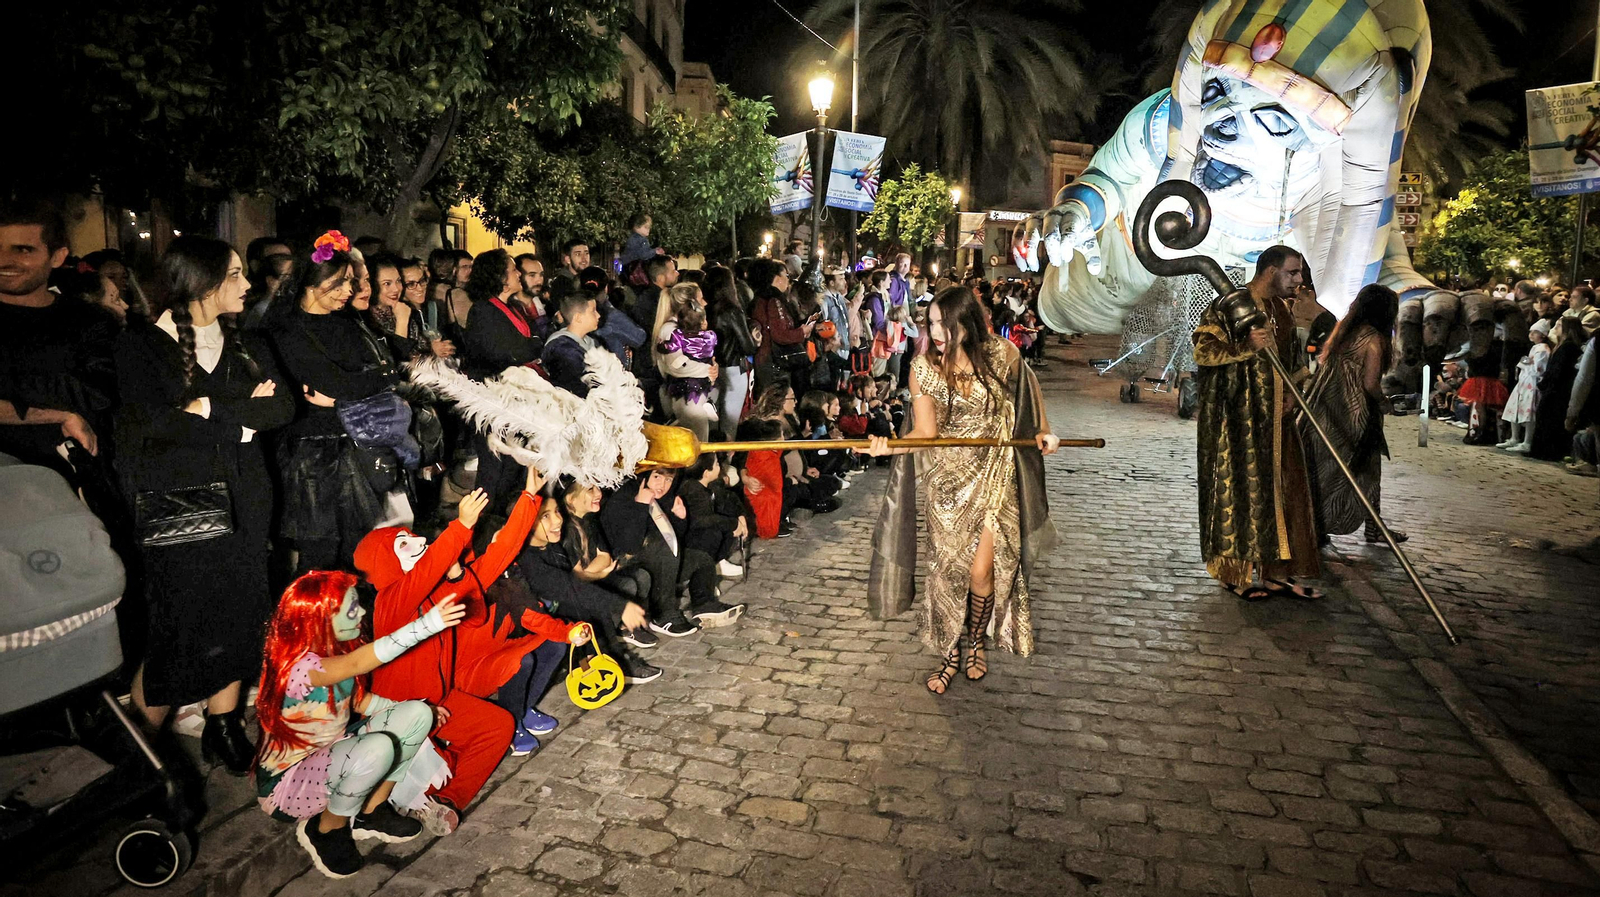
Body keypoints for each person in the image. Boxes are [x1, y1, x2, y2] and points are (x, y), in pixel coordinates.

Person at [116, 236, 295, 772]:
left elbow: (281, 408)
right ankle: (140, 749)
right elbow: (151, 425)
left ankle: (223, 723)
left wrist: (205, 407)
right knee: (181, 620)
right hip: (181, 503)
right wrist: (239, 416)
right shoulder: (143, 345)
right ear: (201, 283)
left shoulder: (248, 343)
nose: (246, 284)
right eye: (235, 275)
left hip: (246, 496)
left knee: (240, 612)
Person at [865, 286, 1059, 695]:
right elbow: (926, 432)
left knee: (980, 570)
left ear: (965, 323)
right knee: (946, 572)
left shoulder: (1002, 354)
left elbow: (1029, 400)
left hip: (995, 473)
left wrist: (1045, 432)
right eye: (931, 322)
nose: (936, 332)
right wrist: (888, 444)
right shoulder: (922, 368)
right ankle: (950, 651)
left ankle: (975, 642)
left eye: (943, 323)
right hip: (948, 485)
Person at [355, 472, 550, 831]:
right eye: (403, 543)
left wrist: (529, 498)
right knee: (426, 760)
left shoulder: (433, 591)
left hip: (440, 699)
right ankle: (399, 799)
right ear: (384, 561)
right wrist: (460, 526)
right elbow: (428, 568)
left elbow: (497, 556)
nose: (416, 544)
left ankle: (447, 799)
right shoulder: (390, 602)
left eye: (414, 538)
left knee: (497, 726)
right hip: (400, 713)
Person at [254, 571, 460, 879]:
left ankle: (371, 812)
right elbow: (358, 663)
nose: (361, 612)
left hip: (331, 757)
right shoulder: (302, 667)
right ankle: (326, 829)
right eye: (352, 608)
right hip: (287, 789)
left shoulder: (330, 653)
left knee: (417, 713)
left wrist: (417, 713)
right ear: (321, 619)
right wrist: (427, 624)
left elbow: (360, 702)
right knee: (377, 748)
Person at [1191, 245, 1322, 601]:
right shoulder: (1229, 305)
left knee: (1286, 490)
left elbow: (1293, 361)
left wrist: (1293, 395)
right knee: (1242, 494)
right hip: (1239, 421)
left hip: (1279, 421)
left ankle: (1278, 573)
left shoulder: (1281, 308)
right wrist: (1244, 345)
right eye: (1292, 273)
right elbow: (1203, 351)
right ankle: (1234, 575)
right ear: (1270, 271)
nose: (1299, 280)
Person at [265, 232, 401, 572]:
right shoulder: (287, 330)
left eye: (350, 283)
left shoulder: (346, 323)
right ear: (312, 283)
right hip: (311, 456)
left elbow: (371, 377)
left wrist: (374, 380)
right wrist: (375, 379)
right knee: (319, 558)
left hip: (355, 444)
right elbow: (342, 383)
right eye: (338, 285)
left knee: (357, 553)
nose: (348, 293)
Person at [0, 199, 117, 477]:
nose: (5, 261)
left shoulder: (90, 321)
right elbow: (76, 395)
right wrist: (61, 413)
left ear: (58, 256)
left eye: (23, 249)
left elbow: (98, 396)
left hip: (74, 491)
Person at [1298, 284, 1406, 546]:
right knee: (1367, 472)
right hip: (1356, 416)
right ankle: (1373, 527)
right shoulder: (1374, 340)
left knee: (1323, 470)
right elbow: (1370, 384)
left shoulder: (1344, 332)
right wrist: (1384, 403)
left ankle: (1316, 524)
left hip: (1325, 411)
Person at [654, 282, 719, 442]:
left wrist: (712, 366)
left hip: (696, 396)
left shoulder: (688, 328)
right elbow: (677, 365)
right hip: (688, 397)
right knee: (697, 446)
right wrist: (707, 369)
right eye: (700, 299)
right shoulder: (670, 330)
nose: (705, 303)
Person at [706, 266, 758, 438]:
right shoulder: (732, 310)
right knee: (729, 424)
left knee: (711, 421)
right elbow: (748, 346)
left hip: (709, 369)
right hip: (733, 368)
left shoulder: (705, 310)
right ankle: (725, 461)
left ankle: (710, 461)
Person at [1531, 317, 1588, 461]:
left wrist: (1546, 383)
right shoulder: (1562, 345)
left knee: (1550, 419)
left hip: (1557, 391)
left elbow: (1558, 370)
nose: (1556, 327)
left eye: (1560, 325)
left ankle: (1547, 451)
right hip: (1553, 388)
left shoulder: (1568, 347)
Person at [1500, 318, 1553, 454]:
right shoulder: (1535, 348)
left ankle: (1527, 441)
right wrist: (1526, 362)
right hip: (1524, 382)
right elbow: (1527, 362)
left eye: (1535, 332)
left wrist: (1526, 363)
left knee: (1529, 412)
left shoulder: (1542, 349)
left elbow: (1537, 369)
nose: (1531, 335)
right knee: (1516, 408)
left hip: (1532, 383)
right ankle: (1514, 437)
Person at [542, 289, 602, 398]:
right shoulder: (561, 348)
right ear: (578, 317)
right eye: (593, 311)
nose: (598, 315)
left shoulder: (591, 341)